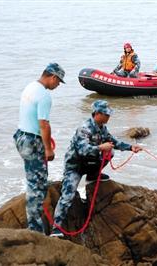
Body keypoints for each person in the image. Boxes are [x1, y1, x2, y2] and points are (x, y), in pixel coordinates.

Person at [51, 100, 142, 237]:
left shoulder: (102, 128)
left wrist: (130, 147)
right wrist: (100, 147)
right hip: (75, 166)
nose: (109, 117)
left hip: (89, 163)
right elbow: (83, 150)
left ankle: (93, 175)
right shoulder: (84, 128)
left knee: (110, 152)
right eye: (106, 114)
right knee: (68, 195)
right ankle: (56, 227)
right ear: (98, 114)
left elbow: (114, 142)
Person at [13, 62, 65, 233]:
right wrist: (48, 149)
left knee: (35, 179)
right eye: (58, 82)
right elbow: (44, 124)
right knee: (36, 187)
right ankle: (35, 230)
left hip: (21, 136)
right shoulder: (44, 96)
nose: (57, 86)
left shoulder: (30, 86)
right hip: (32, 141)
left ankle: (35, 222)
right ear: (53, 77)